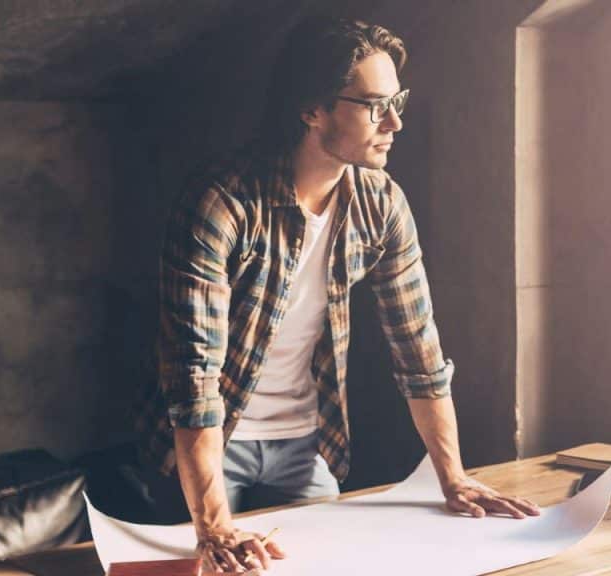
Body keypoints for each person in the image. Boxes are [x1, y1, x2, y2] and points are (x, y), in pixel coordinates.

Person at [133, 16, 539, 572]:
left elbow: (418, 353)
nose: (394, 122)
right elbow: (193, 377)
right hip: (207, 447)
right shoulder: (223, 202)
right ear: (312, 108)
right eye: (374, 105)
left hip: (305, 445)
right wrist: (212, 524)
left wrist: (454, 478)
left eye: (398, 101)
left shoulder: (382, 204)